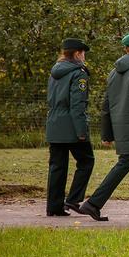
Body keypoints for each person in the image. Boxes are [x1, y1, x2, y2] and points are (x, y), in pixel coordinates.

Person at [77, 32, 129, 221]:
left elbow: (106, 106)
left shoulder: (114, 72)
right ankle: (93, 204)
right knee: (124, 164)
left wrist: (107, 134)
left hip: (123, 128)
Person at [45, 37, 94, 217]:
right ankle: (73, 199)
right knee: (87, 161)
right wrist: (81, 131)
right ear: (77, 54)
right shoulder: (79, 73)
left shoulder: (55, 71)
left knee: (57, 167)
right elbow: (77, 104)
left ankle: (54, 206)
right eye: (83, 53)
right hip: (71, 126)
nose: (84, 57)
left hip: (54, 123)